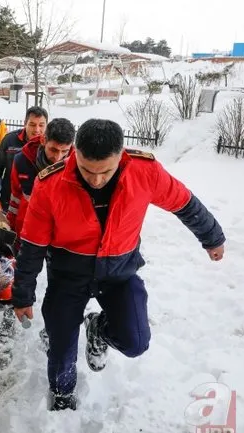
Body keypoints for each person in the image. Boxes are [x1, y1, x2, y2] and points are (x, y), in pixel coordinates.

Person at [12, 119, 226, 412]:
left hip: (119, 273)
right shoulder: (50, 184)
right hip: (68, 276)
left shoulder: (144, 172)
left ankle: (98, 329)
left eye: (106, 172)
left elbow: (184, 203)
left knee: (135, 341)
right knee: (61, 348)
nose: (96, 180)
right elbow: (33, 245)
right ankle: (62, 396)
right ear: (75, 154)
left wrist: (212, 237)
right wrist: (23, 294)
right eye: (87, 170)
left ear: (120, 156)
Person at [8, 118, 74, 240]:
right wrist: (11, 226)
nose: (58, 157)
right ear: (43, 140)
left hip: (59, 236)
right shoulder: (21, 160)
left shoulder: (76, 166)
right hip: (26, 230)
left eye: (64, 151)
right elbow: (15, 197)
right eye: (53, 150)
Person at [0, 106, 48, 213]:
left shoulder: (50, 146)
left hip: (39, 205)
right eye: (32, 125)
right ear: (25, 123)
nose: (37, 130)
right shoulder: (9, 140)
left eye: (41, 125)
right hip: (9, 201)